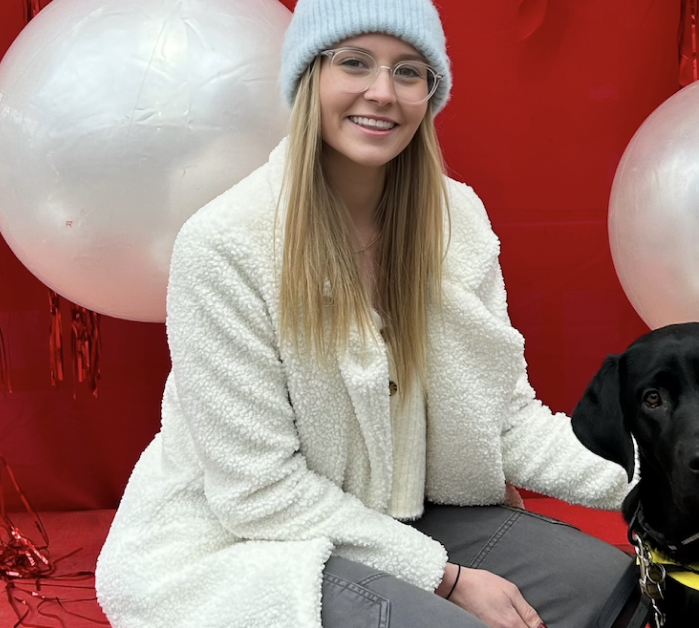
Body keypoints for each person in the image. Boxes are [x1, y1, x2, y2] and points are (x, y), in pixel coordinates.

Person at [96, 1, 645, 627]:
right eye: (354, 63)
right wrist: (446, 579)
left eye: (409, 71)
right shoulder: (224, 244)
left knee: (618, 595)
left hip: (405, 511)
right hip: (247, 541)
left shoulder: (453, 220)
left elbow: (503, 421)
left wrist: (656, 473)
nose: (382, 92)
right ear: (309, 78)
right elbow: (258, 493)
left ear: (429, 94)